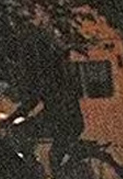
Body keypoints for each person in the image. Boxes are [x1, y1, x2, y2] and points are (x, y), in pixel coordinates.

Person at [5, 35, 85, 172]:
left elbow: (32, 102)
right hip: (65, 119)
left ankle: (39, 173)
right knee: (53, 152)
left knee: (19, 134)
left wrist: (10, 119)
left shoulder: (45, 74)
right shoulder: (55, 71)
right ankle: (51, 174)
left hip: (62, 121)